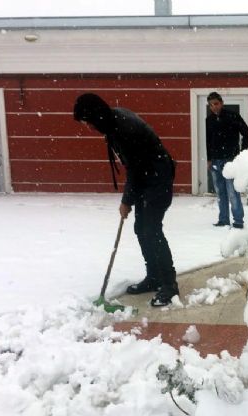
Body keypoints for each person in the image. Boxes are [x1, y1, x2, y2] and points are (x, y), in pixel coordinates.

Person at [73, 93, 178, 307]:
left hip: (157, 179)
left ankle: (169, 285)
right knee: (142, 229)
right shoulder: (114, 122)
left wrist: (126, 201)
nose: (88, 127)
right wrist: (130, 199)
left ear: (96, 116)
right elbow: (136, 169)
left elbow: (135, 170)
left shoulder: (124, 129)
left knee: (152, 230)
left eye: (88, 122)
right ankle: (154, 276)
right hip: (148, 177)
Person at [206, 91, 248, 229]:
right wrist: (209, 159)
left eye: (216, 104)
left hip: (230, 161)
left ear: (221, 103)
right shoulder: (209, 120)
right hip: (215, 161)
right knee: (220, 192)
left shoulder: (233, 116)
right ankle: (223, 219)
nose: (214, 107)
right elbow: (208, 141)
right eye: (211, 105)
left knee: (232, 191)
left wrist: (241, 153)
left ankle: (238, 221)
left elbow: (246, 133)